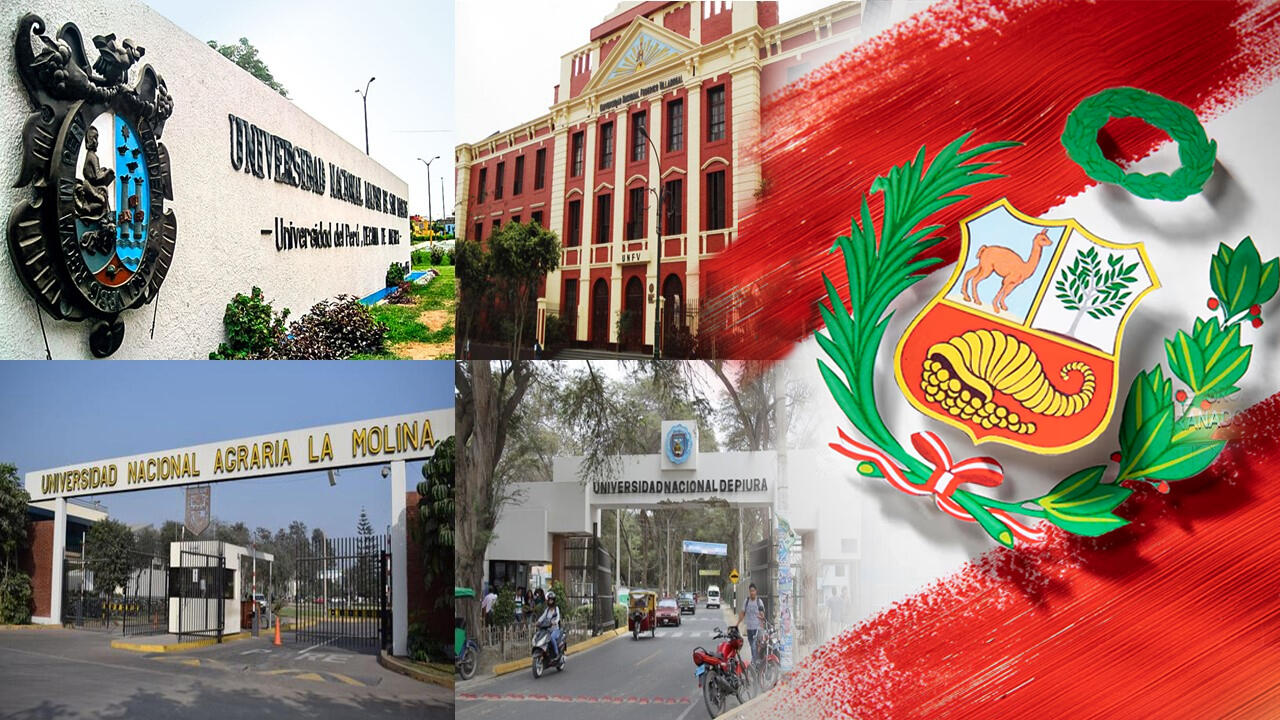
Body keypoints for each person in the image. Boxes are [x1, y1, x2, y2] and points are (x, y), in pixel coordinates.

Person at [738, 582, 766, 661]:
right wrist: (737, 624)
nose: (752, 592)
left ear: (756, 591)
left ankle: (754, 663)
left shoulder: (759, 601)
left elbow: (762, 614)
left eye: (753, 591)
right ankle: (757, 662)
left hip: (758, 628)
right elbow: (742, 613)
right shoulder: (746, 601)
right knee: (752, 646)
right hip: (749, 629)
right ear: (749, 591)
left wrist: (761, 616)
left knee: (754, 646)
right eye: (750, 591)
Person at [537, 590, 564, 663]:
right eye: (549, 600)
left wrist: (555, 622)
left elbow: (558, 617)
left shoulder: (556, 608)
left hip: (555, 630)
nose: (550, 602)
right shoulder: (547, 609)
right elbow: (543, 616)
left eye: (551, 600)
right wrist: (538, 622)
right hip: (548, 629)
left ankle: (556, 654)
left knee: (551, 638)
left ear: (554, 601)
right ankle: (547, 654)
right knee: (542, 637)